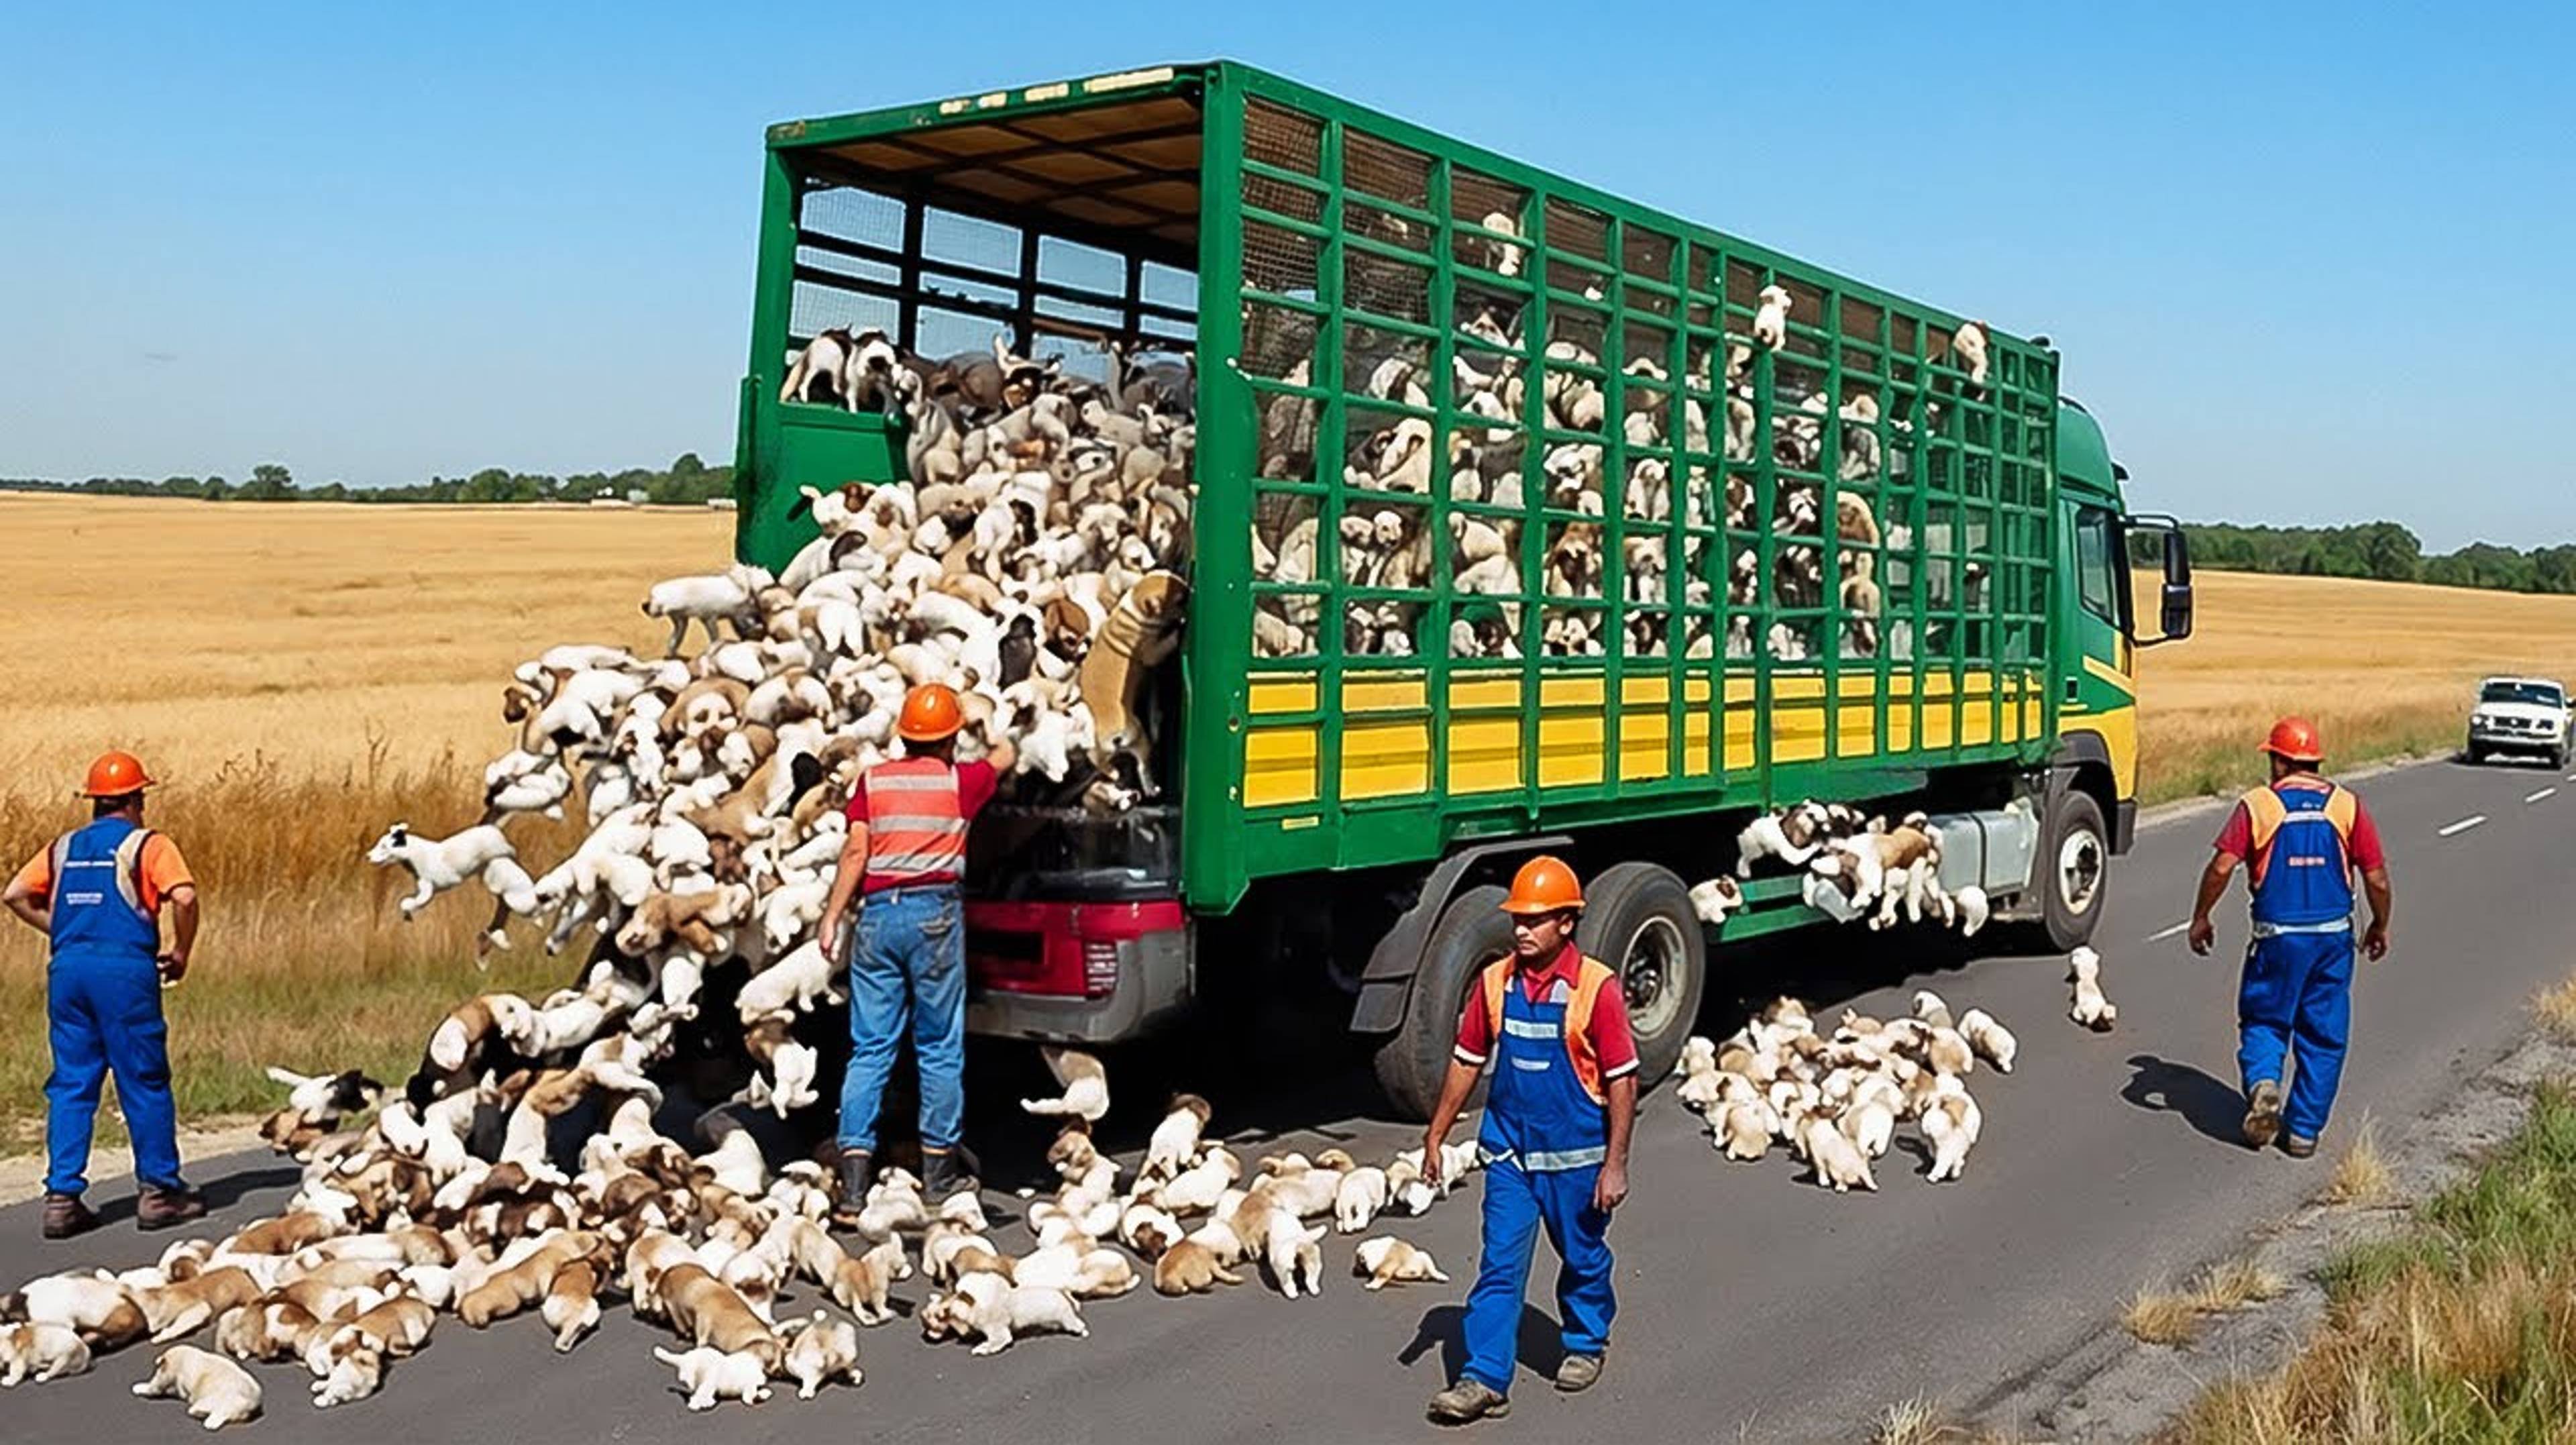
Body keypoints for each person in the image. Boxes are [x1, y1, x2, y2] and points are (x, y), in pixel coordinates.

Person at [1419, 856, 1638, 1424]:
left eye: (1535, 919)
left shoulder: (1598, 989)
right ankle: (1484, 1377)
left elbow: (1622, 1079)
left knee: (1583, 1257)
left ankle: (1586, 1342)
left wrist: (1615, 1165)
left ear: (1566, 923)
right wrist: (1436, 1135)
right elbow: (1468, 1060)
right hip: (1511, 1154)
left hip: (1578, 1160)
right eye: (1518, 917)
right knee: (1499, 1265)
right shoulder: (1495, 982)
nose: (1521, 928)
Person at [816, 684, 1015, 1218]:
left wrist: (832, 916)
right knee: (938, 1044)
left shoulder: (872, 781)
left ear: (903, 734)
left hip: (878, 915)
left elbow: (857, 850)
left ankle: (854, 1188)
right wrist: (985, 725)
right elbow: (1008, 755)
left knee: (871, 1047)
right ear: (950, 738)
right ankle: (939, 1177)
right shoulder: (961, 780)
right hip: (934, 916)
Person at [1, 751, 207, 1237]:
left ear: (93, 802)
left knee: (73, 1083)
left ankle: (62, 1198)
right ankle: (159, 1193)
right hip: (125, 972)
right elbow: (185, 897)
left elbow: (13, 894)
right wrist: (180, 951)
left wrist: (65, 930)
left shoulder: (64, 846)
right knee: (144, 1079)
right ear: (138, 799)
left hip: (68, 971)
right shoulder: (148, 845)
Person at [2186, 716, 2393, 1157]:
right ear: (2313, 761)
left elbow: (2221, 867)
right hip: (2333, 942)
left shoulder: (2258, 805)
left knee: (2265, 1019)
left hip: (2276, 939)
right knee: (2324, 1035)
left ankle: (2263, 1083)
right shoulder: (2347, 806)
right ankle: (2302, 1132)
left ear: (2281, 762)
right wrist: (2380, 923)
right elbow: (2376, 878)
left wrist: (2201, 917)